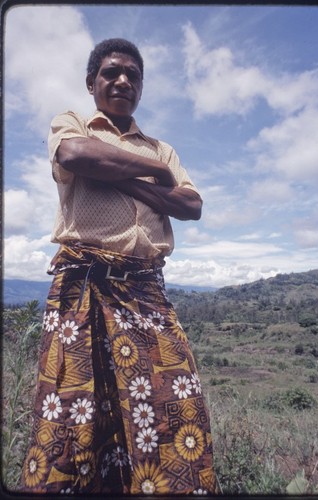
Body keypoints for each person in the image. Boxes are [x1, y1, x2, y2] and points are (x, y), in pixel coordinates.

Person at [21, 38, 218, 495]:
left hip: (147, 294)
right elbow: (74, 156)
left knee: (176, 406)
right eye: (112, 72)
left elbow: (191, 205)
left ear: (142, 87)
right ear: (92, 83)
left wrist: (119, 175)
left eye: (133, 74)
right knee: (72, 418)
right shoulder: (72, 123)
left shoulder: (163, 148)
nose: (123, 80)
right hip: (81, 289)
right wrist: (152, 176)